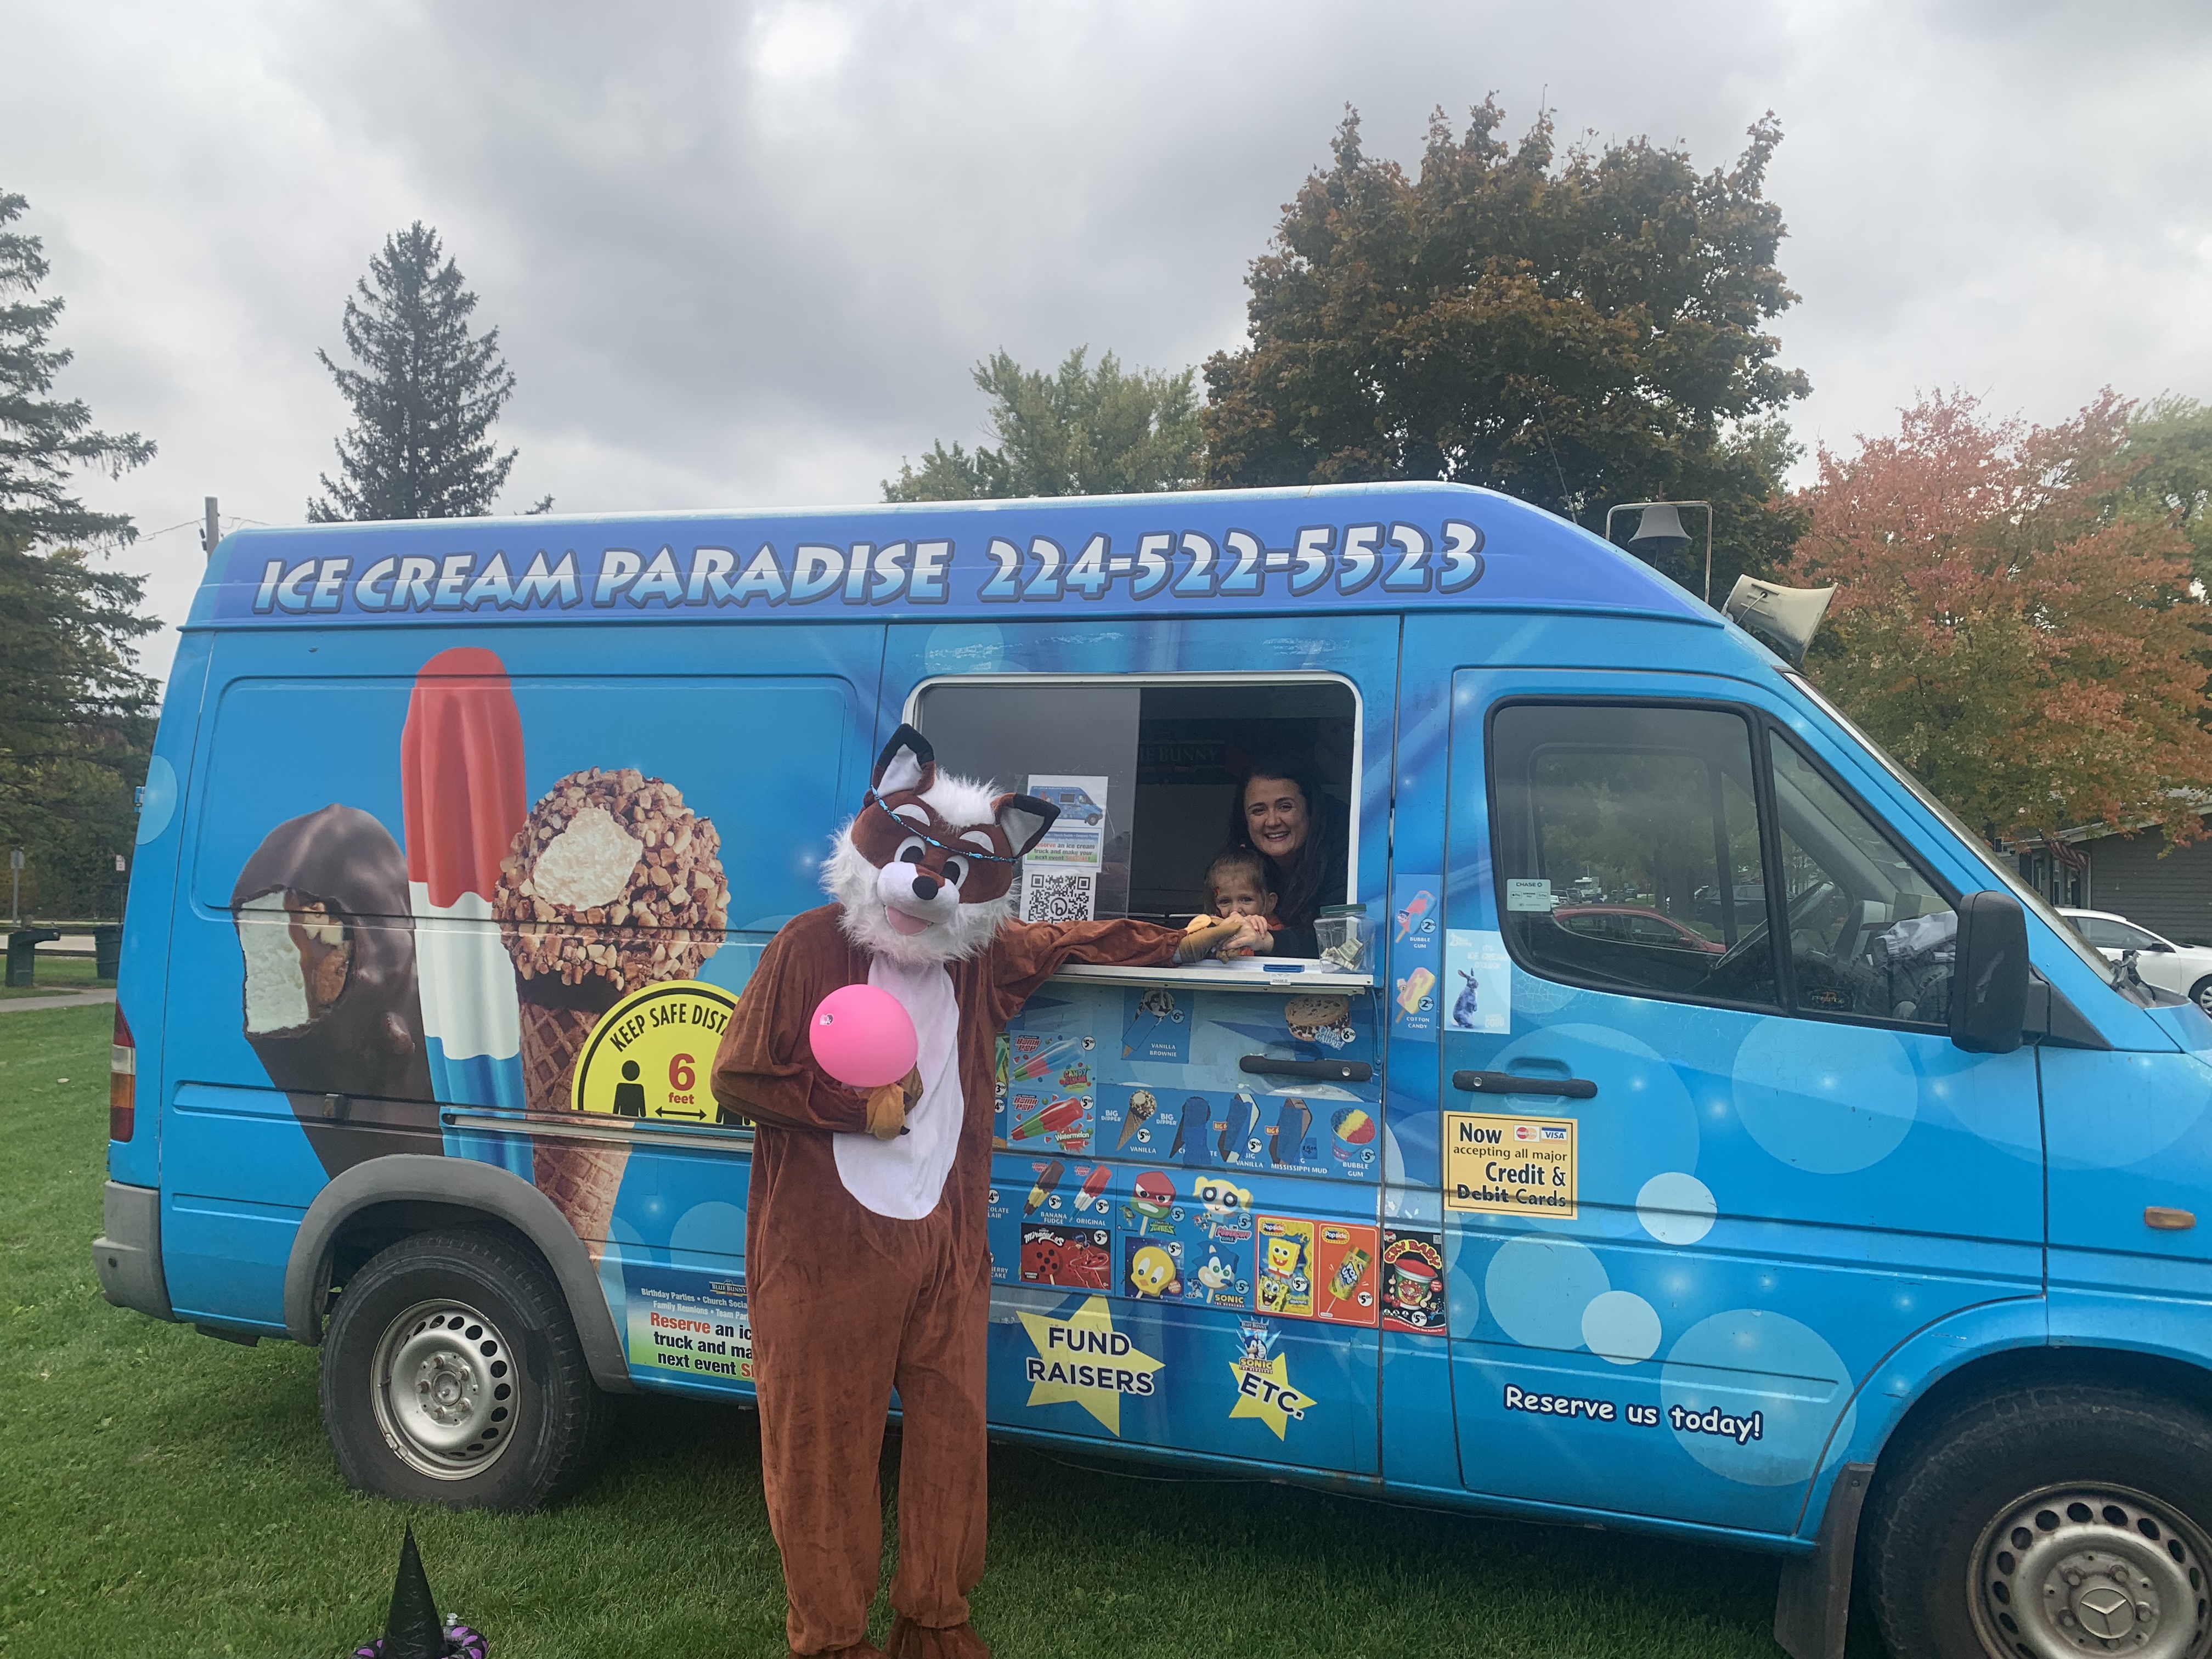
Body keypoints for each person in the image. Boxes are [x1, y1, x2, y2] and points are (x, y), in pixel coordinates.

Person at [1221, 764, 1347, 957]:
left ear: (1310, 812)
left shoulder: (1347, 863)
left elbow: (1340, 943)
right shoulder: (1237, 868)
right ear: (1246, 821)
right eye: (1258, 811)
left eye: (1285, 807)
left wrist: (1267, 940)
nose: (1272, 821)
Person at [1197, 846, 1283, 955]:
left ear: (1270, 903)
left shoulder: (1273, 931)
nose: (1235, 911)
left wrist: (1259, 937)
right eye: (1225, 901)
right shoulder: (1211, 929)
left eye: (1246, 900)